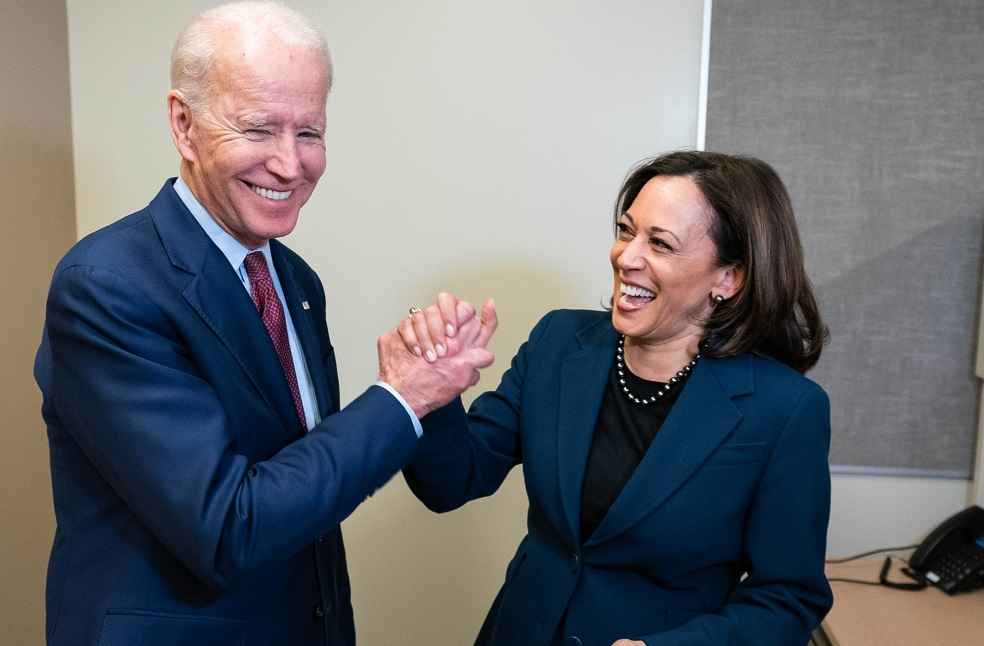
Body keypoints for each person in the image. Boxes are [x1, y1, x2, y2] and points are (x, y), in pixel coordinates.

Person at [33, 3, 494, 645]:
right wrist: (401, 397)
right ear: (184, 124)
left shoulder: (295, 282)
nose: (289, 164)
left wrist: (427, 388)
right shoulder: (106, 287)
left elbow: (303, 485)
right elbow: (227, 526)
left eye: (310, 133)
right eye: (258, 129)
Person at [400, 151, 833, 646]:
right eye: (627, 231)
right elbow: (451, 481)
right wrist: (431, 390)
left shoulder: (785, 410)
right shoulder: (558, 343)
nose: (626, 257)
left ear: (728, 278)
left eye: (661, 244)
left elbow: (788, 599)